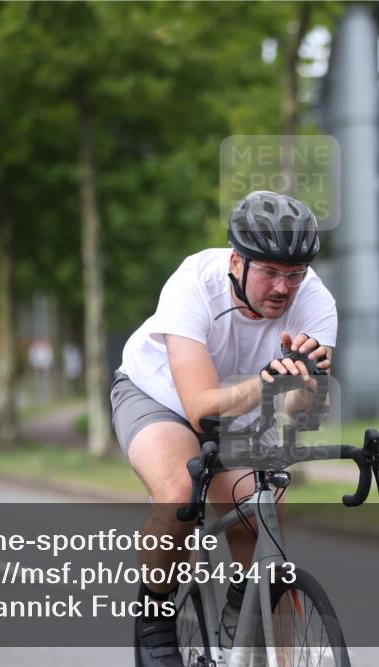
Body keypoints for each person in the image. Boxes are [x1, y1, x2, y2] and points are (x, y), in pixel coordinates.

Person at [110, 191, 337, 666]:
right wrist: (270, 380)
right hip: (161, 396)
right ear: (238, 261)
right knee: (178, 493)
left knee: (260, 508)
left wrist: (300, 387)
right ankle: (155, 615)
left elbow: (299, 407)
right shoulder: (193, 284)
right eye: (270, 272)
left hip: (246, 410)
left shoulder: (316, 302)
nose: (283, 287)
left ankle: (245, 611)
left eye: (294, 275)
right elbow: (200, 410)